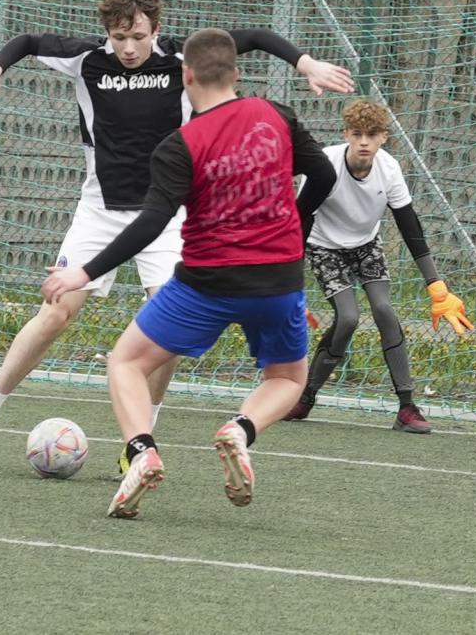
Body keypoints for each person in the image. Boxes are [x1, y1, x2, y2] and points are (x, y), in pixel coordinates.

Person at [0, 0, 354, 468]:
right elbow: (27, 41)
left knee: (167, 333)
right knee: (55, 313)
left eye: (138, 37)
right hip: (99, 209)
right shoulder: (87, 60)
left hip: (168, 214)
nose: (128, 47)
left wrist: (304, 63)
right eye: (119, 37)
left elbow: (255, 37)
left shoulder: (179, 58)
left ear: (156, 30)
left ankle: (140, 440)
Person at [42, 27, 338, 519]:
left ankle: (141, 452)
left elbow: (151, 223)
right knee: (288, 378)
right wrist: (295, 223)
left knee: (125, 362)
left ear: (186, 76)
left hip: (206, 283)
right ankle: (241, 430)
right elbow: (324, 175)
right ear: (236, 73)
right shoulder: (277, 116)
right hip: (278, 279)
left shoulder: (178, 146)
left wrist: (83, 273)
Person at [283, 98, 473, 431]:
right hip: (325, 247)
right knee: (348, 318)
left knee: (384, 310)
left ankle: (407, 407)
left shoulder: (389, 169)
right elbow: (300, 221)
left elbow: (409, 225)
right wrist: (290, 286)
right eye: (356, 134)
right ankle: (306, 396)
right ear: (346, 134)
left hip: (366, 245)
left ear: (384, 137)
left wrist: (436, 285)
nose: (364, 142)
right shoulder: (325, 166)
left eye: (372, 135)